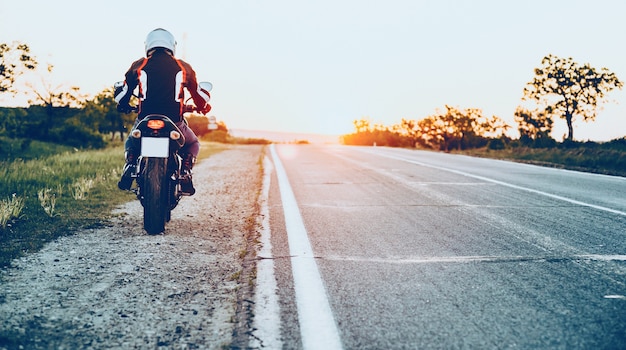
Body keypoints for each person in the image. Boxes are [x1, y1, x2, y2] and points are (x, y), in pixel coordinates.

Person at [115, 28, 211, 196]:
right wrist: (203, 106)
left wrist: (123, 104)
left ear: (148, 45)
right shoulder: (183, 66)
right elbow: (199, 97)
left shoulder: (140, 64)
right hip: (175, 122)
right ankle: (186, 170)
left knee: (131, 142)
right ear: (171, 46)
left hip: (144, 120)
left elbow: (122, 95)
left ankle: (130, 164)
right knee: (193, 143)